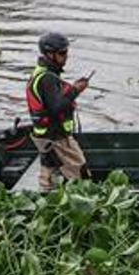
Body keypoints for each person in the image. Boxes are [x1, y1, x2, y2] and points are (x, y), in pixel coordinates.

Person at [26, 32, 89, 191]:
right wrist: (75, 90)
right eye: (62, 53)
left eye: (66, 52)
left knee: (49, 171)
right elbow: (56, 107)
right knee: (79, 171)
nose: (66, 57)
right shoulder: (47, 79)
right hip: (55, 136)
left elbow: (54, 100)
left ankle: (47, 197)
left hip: (45, 136)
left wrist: (72, 89)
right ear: (49, 54)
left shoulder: (43, 74)